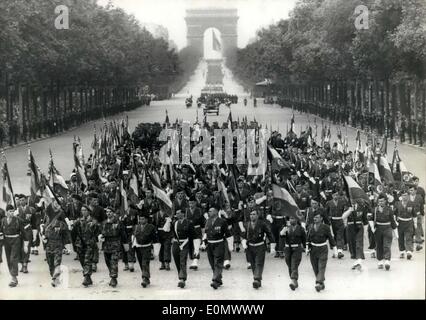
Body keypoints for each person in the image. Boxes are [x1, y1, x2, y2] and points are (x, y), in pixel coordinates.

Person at [240, 210, 275, 289]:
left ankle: (256, 279)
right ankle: (258, 281)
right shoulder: (247, 224)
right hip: (250, 247)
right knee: (253, 264)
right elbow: (243, 235)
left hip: (260, 246)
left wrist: (272, 245)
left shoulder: (262, 224)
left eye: (254, 214)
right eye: (251, 214)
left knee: (259, 263)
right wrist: (243, 242)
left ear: (257, 216)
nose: (252, 216)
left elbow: (269, 233)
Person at [203, 206, 233, 289]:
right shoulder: (207, 221)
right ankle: (218, 279)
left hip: (219, 244)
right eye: (208, 211)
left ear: (216, 212)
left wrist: (230, 246)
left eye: (210, 211)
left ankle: (215, 280)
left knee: (218, 262)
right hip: (210, 244)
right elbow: (206, 232)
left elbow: (228, 234)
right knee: (212, 263)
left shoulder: (222, 221)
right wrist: (203, 242)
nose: (209, 212)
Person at [0, 204, 30, 287]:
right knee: (9, 259)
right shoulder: (3, 220)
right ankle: (13, 276)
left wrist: (26, 245)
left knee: (13, 259)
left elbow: (24, 232)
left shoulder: (18, 220)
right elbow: (1, 231)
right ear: (6, 212)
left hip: (16, 241)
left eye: (13, 211)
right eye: (10, 211)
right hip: (6, 241)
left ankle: (13, 278)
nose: (12, 213)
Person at [98, 207, 128, 287]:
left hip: (116, 244)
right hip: (106, 245)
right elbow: (100, 232)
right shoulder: (103, 223)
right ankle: (112, 275)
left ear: (113, 213)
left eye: (110, 212)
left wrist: (125, 245)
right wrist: (100, 236)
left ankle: (113, 278)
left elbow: (123, 234)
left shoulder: (118, 222)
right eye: (107, 212)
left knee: (114, 262)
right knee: (108, 262)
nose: (108, 213)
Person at [306, 211, 336, 292]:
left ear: (321, 218)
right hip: (313, 250)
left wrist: (334, 249)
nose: (315, 219)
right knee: (315, 268)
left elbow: (330, 238)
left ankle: (318, 283)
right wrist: (307, 248)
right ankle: (321, 283)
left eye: (317, 217)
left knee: (321, 267)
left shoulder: (326, 227)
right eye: (314, 217)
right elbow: (308, 239)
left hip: (322, 248)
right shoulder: (310, 226)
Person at [73, 205, 100, 287]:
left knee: (87, 260)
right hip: (80, 244)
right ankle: (88, 277)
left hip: (89, 243)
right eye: (82, 210)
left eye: (85, 210)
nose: (83, 212)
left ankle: (86, 277)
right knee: (82, 260)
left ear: (88, 211)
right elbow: (74, 230)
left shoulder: (93, 221)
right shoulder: (79, 221)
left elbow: (97, 231)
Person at [369, 194, 397, 271]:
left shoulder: (389, 209)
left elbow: (392, 221)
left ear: (385, 201)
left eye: (382, 201)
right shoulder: (375, 209)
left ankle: (387, 261)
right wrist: (372, 227)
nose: (380, 202)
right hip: (378, 229)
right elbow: (370, 219)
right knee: (379, 245)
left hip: (387, 228)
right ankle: (380, 261)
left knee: (387, 245)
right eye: (379, 201)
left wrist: (396, 233)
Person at [281, 215, 306, 290]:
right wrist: (282, 233)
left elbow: (304, 239)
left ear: (297, 220)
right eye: (291, 218)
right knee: (289, 264)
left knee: (294, 264)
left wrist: (306, 247)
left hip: (297, 248)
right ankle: (294, 280)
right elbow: (281, 237)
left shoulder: (301, 229)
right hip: (288, 249)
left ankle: (293, 280)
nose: (292, 220)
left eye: (293, 218)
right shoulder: (286, 228)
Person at [172, 209, 195, 288]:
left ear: (183, 214)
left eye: (178, 213)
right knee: (176, 259)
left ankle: (182, 279)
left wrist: (192, 247)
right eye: (176, 213)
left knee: (183, 260)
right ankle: (180, 274)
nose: (177, 215)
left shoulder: (189, 223)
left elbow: (192, 235)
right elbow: (170, 232)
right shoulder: (174, 223)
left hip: (185, 243)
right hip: (176, 243)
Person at [342, 199, 368, 270]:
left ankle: (359, 261)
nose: (352, 200)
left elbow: (365, 221)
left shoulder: (362, 207)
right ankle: (356, 262)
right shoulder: (347, 208)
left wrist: (365, 232)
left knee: (359, 244)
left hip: (359, 227)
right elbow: (343, 217)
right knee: (352, 245)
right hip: (350, 227)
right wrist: (350, 210)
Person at [132, 211, 157, 288]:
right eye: (140, 219)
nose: (141, 221)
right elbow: (134, 236)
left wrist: (155, 249)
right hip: (138, 247)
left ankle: (144, 278)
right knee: (141, 263)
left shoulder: (151, 227)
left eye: (143, 219)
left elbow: (155, 239)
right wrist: (133, 245)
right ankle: (147, 277)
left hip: (147, 247)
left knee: (144, 262)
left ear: (146, 219)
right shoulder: (136, 227)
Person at [42, 219, 68, 287]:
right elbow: (44, 238)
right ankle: (54, 277)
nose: (57, 229)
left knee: (57, 263)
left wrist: (66, 247)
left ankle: (55, 279)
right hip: (49, 249)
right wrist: (44, 240)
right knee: (50, 264)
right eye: (56, 227)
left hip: (58, 248)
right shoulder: (47, 229)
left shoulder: (63, 230)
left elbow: (66, 238)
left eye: (58, 227)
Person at [394, 190, 417, 260]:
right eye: (403, 195)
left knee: (408, 237)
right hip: (400, 223)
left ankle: (409, 252)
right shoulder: (397, 204)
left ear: (408, 196)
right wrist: (395, 222)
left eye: (406, 195)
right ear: (401, 196)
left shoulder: (411, 204)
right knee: (400, 237)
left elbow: (414, 215)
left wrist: (415, 224)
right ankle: (402, 251)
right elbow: (394, 214)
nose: (405, 197)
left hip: (409, 222)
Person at [154, 206, 172, 271]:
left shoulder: (168, 213)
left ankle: (167, 262)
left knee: (167, 247)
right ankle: (162, 263)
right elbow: (154, 224)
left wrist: (171, 235)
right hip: (159, 233)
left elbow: (171, 224)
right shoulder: (156, 214)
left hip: (167, 233)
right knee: (160, 248)